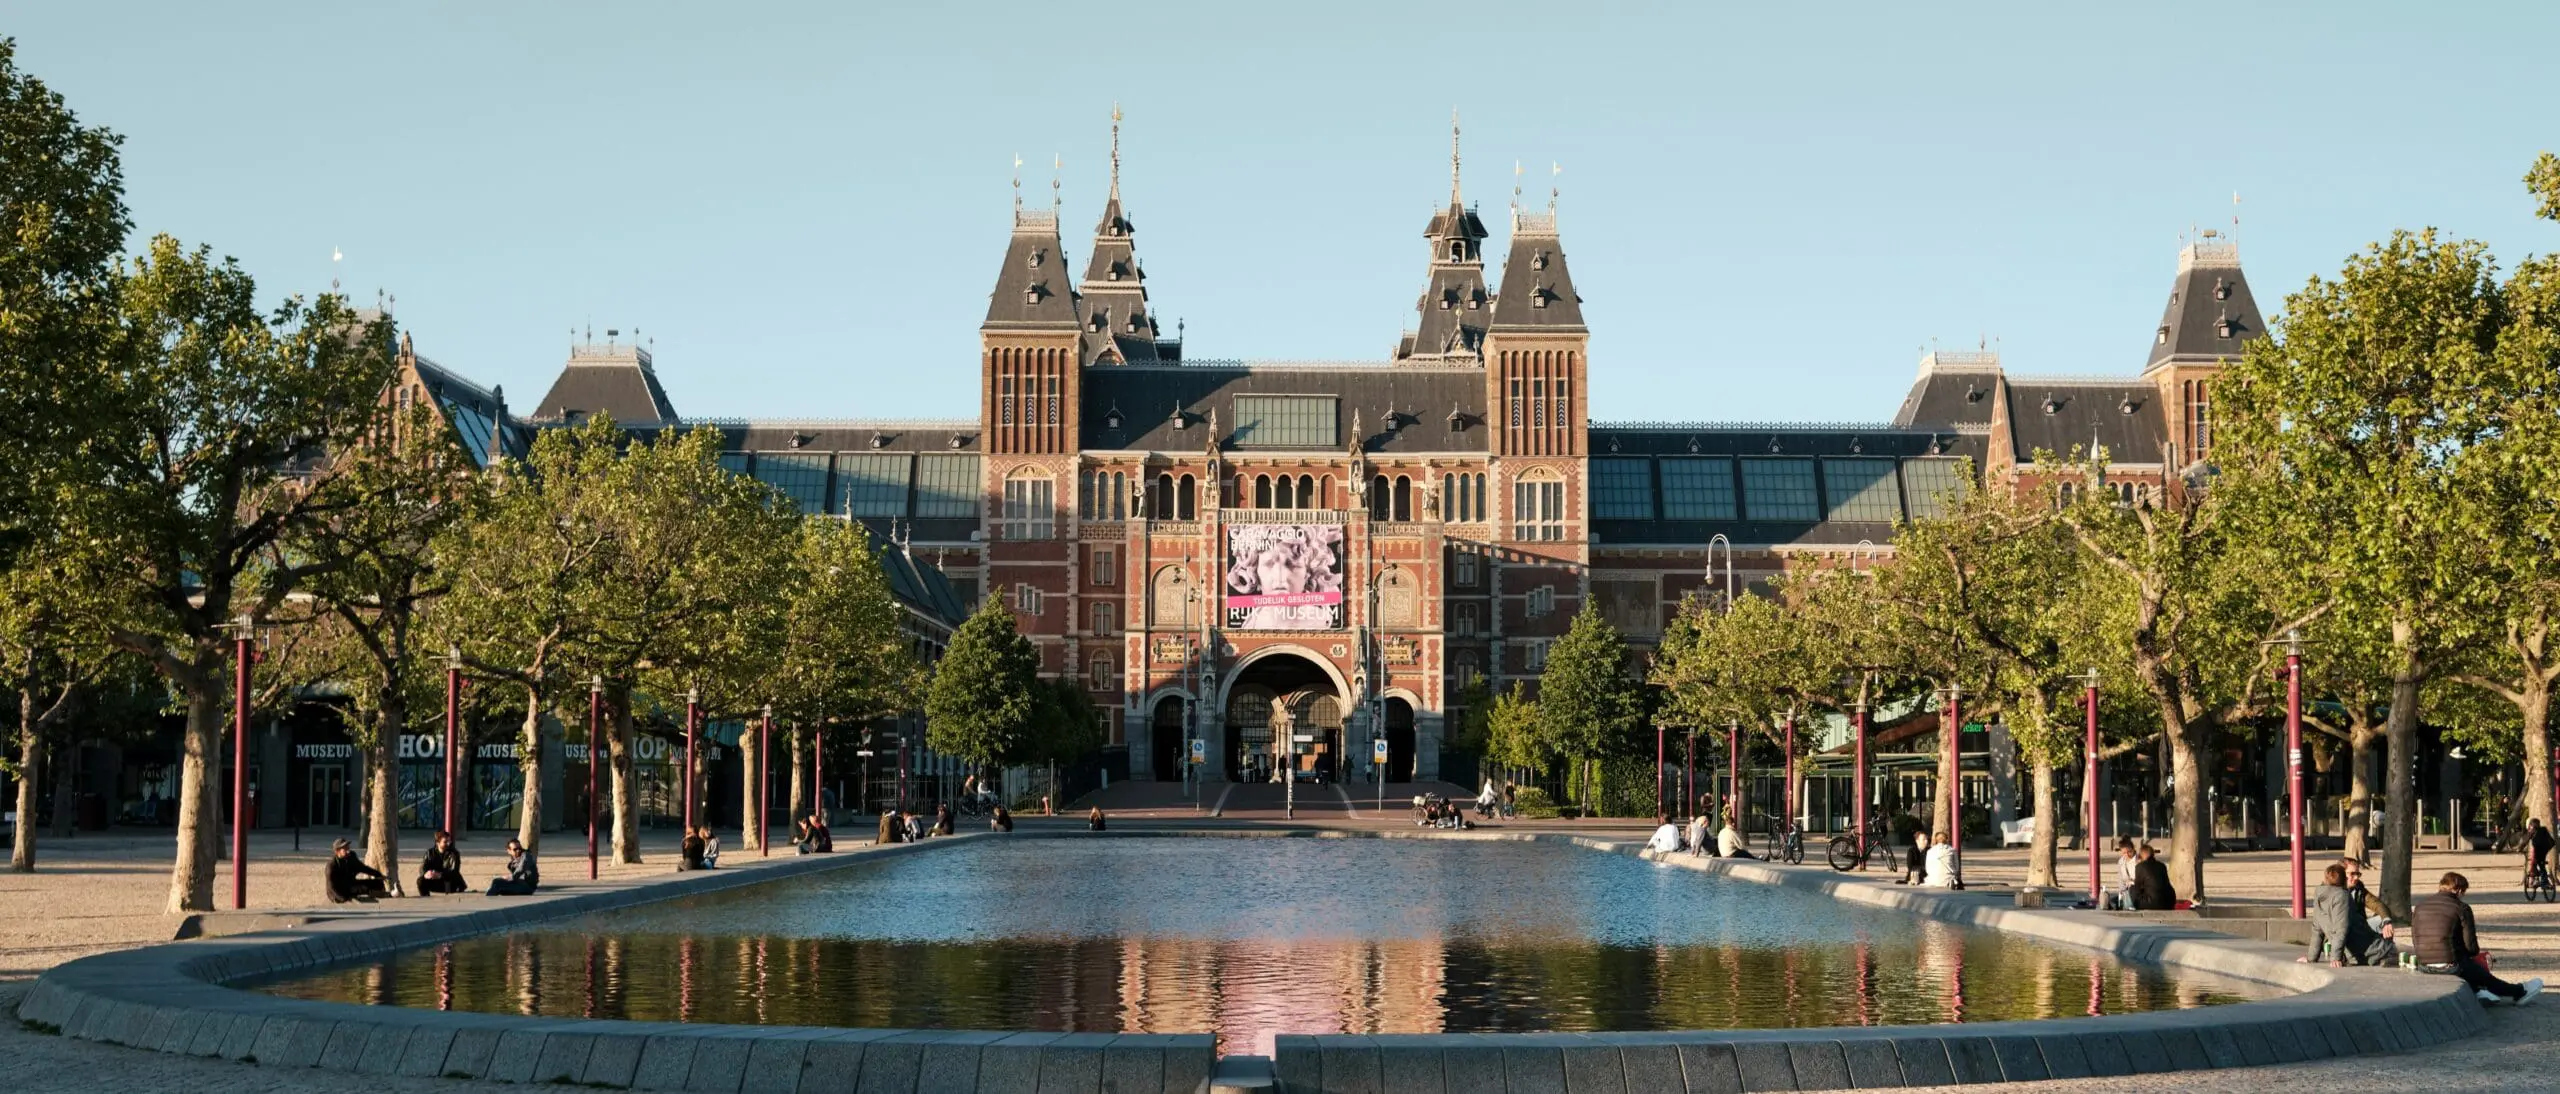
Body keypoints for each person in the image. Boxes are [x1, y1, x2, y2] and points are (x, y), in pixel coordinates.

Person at [2414, 871, 2543, 1005]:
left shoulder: (2420, 906)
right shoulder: (2462, 908)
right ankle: (2519, 992)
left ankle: (2478, 991)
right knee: (2481, 974)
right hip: (2451, 965)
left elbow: (2415, 939)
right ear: (2458, 891)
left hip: (2424, 965)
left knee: (2471, 970)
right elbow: (2472, 947)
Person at [2303, 862, 2397, 967]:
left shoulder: (2321, 894)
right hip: (2346, 943)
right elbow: (2340, 929)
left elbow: (2377, 905)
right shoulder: (2342, 896)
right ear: (2343, 876)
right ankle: (2386, 951)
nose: (2356, 877)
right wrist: (2335, 958)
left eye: (2358, 874)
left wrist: (2386, 920)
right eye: (2352, 874)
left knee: (2381, 920)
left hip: (2357, 939)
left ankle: (2386, 948)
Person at [325, 839, 389, 903]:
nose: (348, 851)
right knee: (364, 888)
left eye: (348, 848)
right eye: (345, 849)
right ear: (337, 851)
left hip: (351, 883)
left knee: (376, 883)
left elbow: (363, 868)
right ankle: (390, 894)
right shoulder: (331, 865)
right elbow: (331, 887)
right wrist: (343, 899)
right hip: (340, 890)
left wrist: (378, 874)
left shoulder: (351, 857)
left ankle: (385, 894)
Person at [416, 831, 467, 895]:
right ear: (438, 843)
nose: (448, 843)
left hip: (450, 882)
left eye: (449, 841)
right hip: (435, 880)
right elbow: (422, 867)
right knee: (420, 880)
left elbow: (455, 872)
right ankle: (425, 898)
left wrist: (440, 875)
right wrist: (426, 874)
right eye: (445, 842)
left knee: (452, 880)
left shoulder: (454, 853)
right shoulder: (429, 853)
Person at [2129, 843, 2176, 910]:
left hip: (2150, 904)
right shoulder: (2162, 866)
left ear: (2141, 856)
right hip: (2166, 904)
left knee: (2132, 888)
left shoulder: (2140, 866)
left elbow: (2137, 886)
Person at [2113, 838, 2139, 910]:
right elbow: (2121, 880)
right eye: (2124, 853)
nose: (2127, 854)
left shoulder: (2139, 859)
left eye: (2129, 851)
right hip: (2127, 891)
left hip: (2138, 890)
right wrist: (2122, 892)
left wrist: (2133, 882)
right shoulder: (2121, 862)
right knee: (2113, 902)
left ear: (2133, 848)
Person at [2527, 818, 2555, 885]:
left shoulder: (2534, 832)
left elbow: (2525, 841)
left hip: (2541, 850)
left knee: (2537, 863)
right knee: (2539, 864)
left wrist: (2519, 848)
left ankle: (2541, 881)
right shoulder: (2543, 829)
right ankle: (2539, 879)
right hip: (2545, 849)